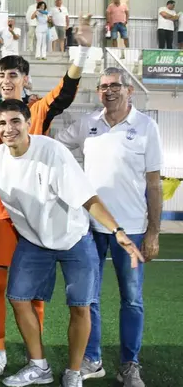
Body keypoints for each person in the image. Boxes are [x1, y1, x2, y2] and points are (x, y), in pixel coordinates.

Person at [0, 99, 144, 387]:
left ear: (28, 123)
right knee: (18, 297)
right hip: (33, 241)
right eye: (2, 123)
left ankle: (74, 372)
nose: (8, 128)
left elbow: (87, 198)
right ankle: (39, 366)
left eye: (15, 121)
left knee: (80, 306)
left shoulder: (52, 152)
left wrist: (117, 231)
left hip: (73, 239)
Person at [0, 17, 93, 377]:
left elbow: (66, 89)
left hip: (46, 216)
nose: (7, 81)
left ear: (25, 80)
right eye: (2, 76)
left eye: (14, 76)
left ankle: (37, 356)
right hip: (2, 212)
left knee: (36, 295)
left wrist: (81, 50)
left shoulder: (37, 111)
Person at [56, 67, 162, 387]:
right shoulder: (88, 124)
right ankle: (93, 358)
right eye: (103, 86)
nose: (109, 90)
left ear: (129, 90)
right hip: (89, 228)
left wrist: (154, 232)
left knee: (132, 299)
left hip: (130, 229)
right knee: (89, 299)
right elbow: (54, 147)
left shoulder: (146, 126)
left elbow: (154, 184)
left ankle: (129, 364)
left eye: (115, 85)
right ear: (98, 91)